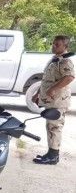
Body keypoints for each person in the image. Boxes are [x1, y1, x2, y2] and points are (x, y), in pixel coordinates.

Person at [32, 35, 74, 165]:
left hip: (58, 100)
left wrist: (53, 89)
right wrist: (37, 94)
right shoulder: (55, 60)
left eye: (57, 45)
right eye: (53, 44)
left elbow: (69, 77)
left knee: (55, 127)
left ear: (65, 47)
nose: (54, 46)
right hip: (51, 100)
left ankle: (53, 156)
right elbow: (46, 80)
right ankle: (50, 153)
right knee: (50, 126)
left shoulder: (65, 61)